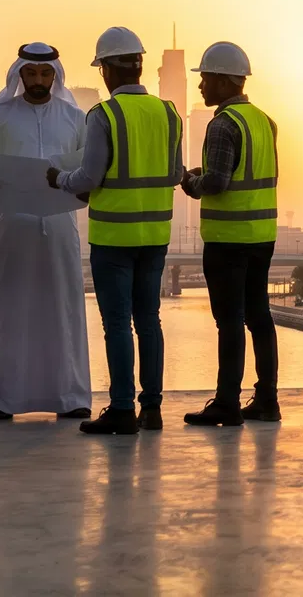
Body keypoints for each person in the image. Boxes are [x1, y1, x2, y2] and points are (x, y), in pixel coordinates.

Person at [49, 27, 183, 435]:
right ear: (140, 66)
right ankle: (153, 409)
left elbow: (89, 176)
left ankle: (123, 408)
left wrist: (59, 179)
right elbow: (176, 173)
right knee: (149, 320)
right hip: (156, 238)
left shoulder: (104, 116)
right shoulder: (170, 113)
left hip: (112, 239)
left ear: (106, 70)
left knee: (117, 324)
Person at [0, 43, 92, 421]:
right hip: (11, 228)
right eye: (32, 74)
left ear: (56, 75)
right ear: (19, 74)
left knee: (62, 310)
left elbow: (87, 166)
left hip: (58, 228)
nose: (39, 81)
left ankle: (69, 397)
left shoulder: (75, 118)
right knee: (5, 311)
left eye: (46, 74)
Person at [180, 41, 281, 427]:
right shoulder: (264, 121)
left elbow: (219, 182)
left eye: (205, 79)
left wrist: (190, 182)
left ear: (224, 81)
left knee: (229, 320)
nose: (201, 87)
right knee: (259, 316)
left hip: (228, 240)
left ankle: (226, 402)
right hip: (262, 236)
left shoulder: (223, 124)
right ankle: (266, 400)